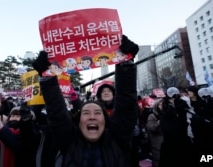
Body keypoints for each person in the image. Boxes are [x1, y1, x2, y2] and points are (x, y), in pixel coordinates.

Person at [32, 34, 139, 167]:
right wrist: (47, 76)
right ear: (79, 121)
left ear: (106, 121)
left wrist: (126, 64)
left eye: (98, 113)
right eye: (86, 113)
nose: (92, 117)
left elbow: (126, 104)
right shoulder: (69, 141)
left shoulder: (118, 139)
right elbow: (56, 112)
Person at [159, 87, 195, 167]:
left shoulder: (182, 103)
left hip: (183, 135)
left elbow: (187, 116)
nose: (173, 98)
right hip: (171, 138)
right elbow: (164, 123)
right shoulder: (165, 106)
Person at [146, 98, 164, 167]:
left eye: (163, 104)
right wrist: (158, 123)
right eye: (159, 104)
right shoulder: (152, 116)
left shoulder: (168, 115)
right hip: (157, 144)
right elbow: (150, 128)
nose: (161, 106)